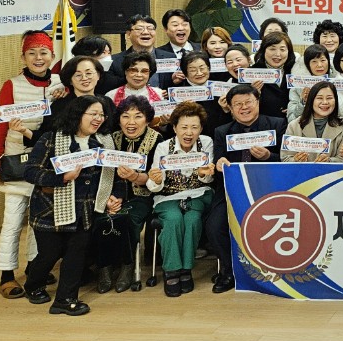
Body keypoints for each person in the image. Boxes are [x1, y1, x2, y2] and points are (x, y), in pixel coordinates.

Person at [21, 95, 122, 316]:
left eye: (102, 115)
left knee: (76, 254)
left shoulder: (104, 142)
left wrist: (114, 196)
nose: (98, 118)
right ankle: (33, 284)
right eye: (93, 114)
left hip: (85, 212)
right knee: (49, 254)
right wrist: (62, 177)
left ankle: (65, 300)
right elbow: (30, 172)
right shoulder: (50, 139)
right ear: (77, 114)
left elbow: (114, 176)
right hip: (49, 210)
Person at [0, 30, 66, 305]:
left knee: (39, 221)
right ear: (23, 57)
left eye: (43, 52)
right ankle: (6, 275)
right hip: (16, 161)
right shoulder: (11, 85)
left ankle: (34, 266)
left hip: (45, 162)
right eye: (31, 53)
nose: (38, 58)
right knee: (13, 221)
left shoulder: (61, 83)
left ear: (52, 56)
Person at [208, 84, 288, 293]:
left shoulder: (278, 124)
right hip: (233, 189)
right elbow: (218, 162)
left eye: (248, 102)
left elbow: (288, 160)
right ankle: (229, 272)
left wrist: (269, 156)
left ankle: (271, 271)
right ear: (230, 108)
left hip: (269, 189)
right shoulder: (222, 131)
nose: (244, 107)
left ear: (258, 102)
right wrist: (219, 164)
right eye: (238, 104)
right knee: (215, 226)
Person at [147, 101, 216, 297]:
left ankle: (186, 269)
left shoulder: (206, 143)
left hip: (198, 193)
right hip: (168, 195)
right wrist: (156, 180)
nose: (189, 132)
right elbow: (154, 183)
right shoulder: (163, 147)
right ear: (174, 127)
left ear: (201, 129)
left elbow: (208, 178)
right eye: (184, 127)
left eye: (194, 127)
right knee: (173, 219)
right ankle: (171, 270)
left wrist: (203, 174)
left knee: (192, 219)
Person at [102, 96, 162, 294]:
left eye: (138, 116)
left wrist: (135, 176)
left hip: (143, 195)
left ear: (147, 119)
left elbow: (155, 178)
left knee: (128, 219)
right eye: (125, 116)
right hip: (111, 194)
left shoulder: (157, 140)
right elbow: (104, 173)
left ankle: (127, 266)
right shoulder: (111, 139)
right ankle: (105, 266)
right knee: (102, 217)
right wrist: (110, 197)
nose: (131, 122)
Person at [281, 81, 343, 163]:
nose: (325, 102)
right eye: (319, 98)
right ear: (311, 100)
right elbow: (285, 158)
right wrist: (295, 160)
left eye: (329, 98)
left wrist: (329, 161)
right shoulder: (294, 125)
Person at [251, 31, 295, 120]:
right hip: (263, 124)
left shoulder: (294, 72)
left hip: (289, 123)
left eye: (282, 49)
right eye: (272, 49)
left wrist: (294, 110)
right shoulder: (251, 73)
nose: (278, 54)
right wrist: (252, 93)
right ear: (263, 50)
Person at [108, 15, 161, 87]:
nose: (146, 32)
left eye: (150, 28)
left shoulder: (170, 57)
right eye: (139, 29)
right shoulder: (114, 62)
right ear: (128, 34)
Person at [156, 8, 199, 87]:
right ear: (165, 29)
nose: (181, 28)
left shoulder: (202, 49)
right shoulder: (157, 54)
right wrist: (172, 81)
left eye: (185, 24)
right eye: (175, 25)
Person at [287, 44, 331, 123]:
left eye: (323, 60)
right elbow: (291, 119)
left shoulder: (337, 81)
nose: (319, 65)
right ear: (307, 64)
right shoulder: (298, 85)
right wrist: (303, 102)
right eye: (314, 61)